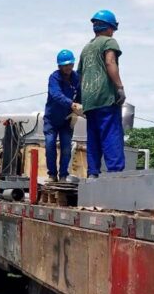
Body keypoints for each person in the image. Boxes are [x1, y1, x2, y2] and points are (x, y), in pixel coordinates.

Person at [78, 10, 126, 177]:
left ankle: (93, 173)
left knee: (94, 138)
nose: (112, 32)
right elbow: (110, 62)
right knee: (111, 134)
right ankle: (115, 174)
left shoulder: (86, 48)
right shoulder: (109, 42)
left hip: (90, 101)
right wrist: (119, 87)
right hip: (106, 98)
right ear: (108, 28)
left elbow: (81, 75)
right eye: (112, 29)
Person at [44, 49, 82, 182]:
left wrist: (77, 110)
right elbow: (56, 95)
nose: (68, 67)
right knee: (50, 145)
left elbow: (81, 94)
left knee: (66, 147)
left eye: (70, 64)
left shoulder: (76, 77)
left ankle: (63, 175)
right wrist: (71, 104)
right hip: (52, 120)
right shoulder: (54, 78)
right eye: (65, 65)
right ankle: (52, 174)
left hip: (67, 119)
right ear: (59, 66)